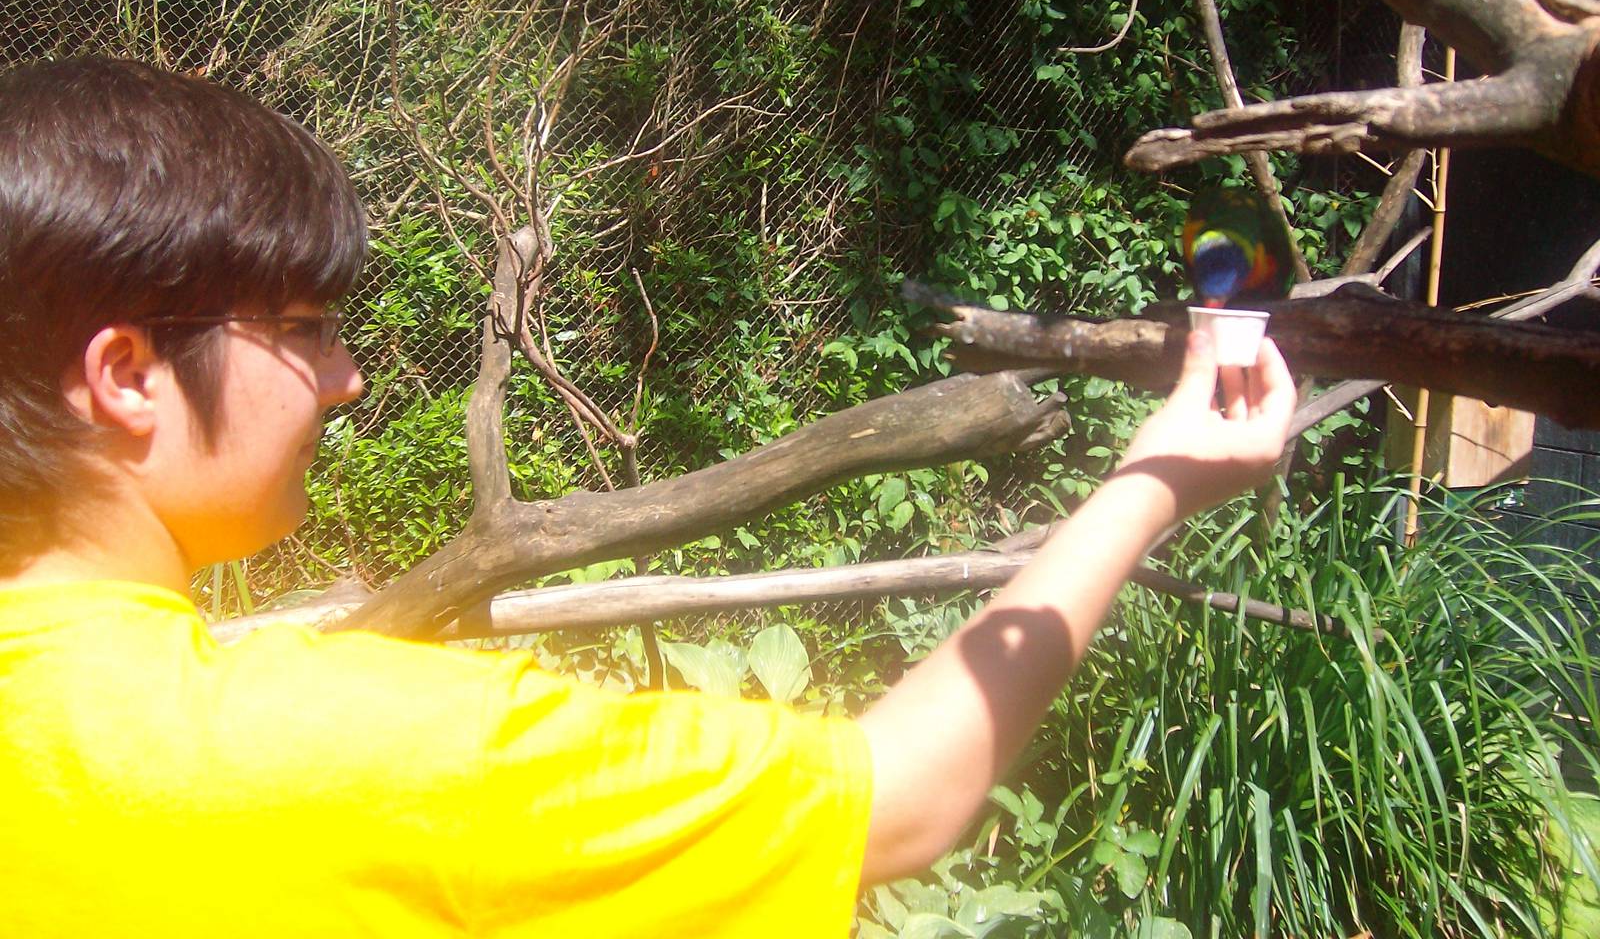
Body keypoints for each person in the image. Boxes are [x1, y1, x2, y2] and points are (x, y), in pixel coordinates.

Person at [0, 57, 1295, 937]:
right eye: (303, 326)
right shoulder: (355, 749)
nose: (344, 379)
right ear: (124, 373)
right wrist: (1157, 477)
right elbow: (896, 795)